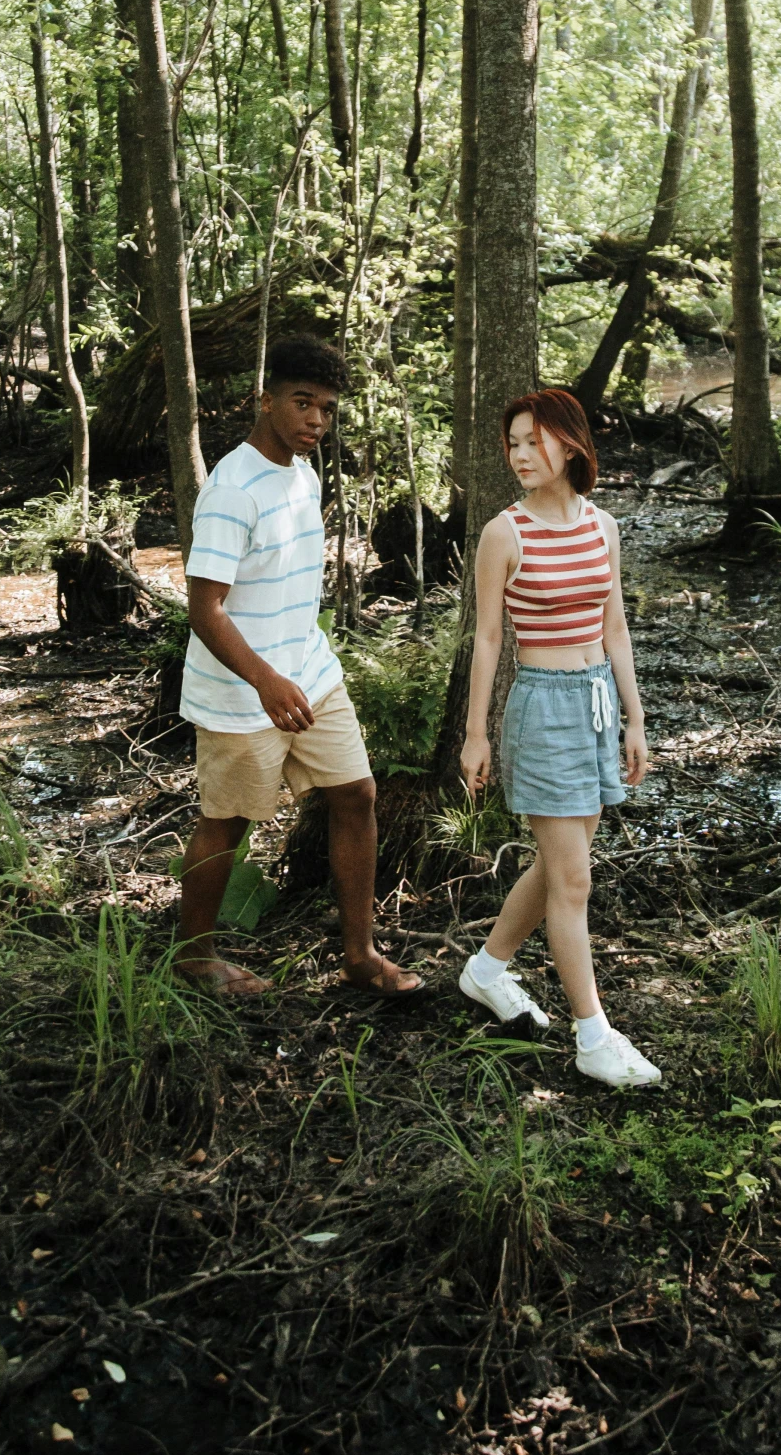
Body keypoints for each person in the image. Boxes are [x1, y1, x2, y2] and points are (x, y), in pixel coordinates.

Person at [175, 334, 421, 1001]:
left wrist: (291, 671)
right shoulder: (231, 486)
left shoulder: (304, 472)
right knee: (228, 822)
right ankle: (194, 958)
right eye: (302, 402)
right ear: (266, 400)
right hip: (239, 690)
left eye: (327, 409)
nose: (316, 420)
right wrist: (264, 680)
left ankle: (360, 955)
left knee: (356, 794)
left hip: (308, 669)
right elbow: (205, 609)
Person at [458, 388, 661, 1087]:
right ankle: (593, 1037)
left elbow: (615, 628)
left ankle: (484, 971)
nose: (518, 454)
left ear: (570, 445)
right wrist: (474, 733)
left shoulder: (601, 526)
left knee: (557, 865)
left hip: (597, 703)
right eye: (511, 443)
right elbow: (488, 640)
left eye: (531, 441)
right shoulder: (503, 533)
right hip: (541, 708)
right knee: (573, 876)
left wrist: (635, 717)